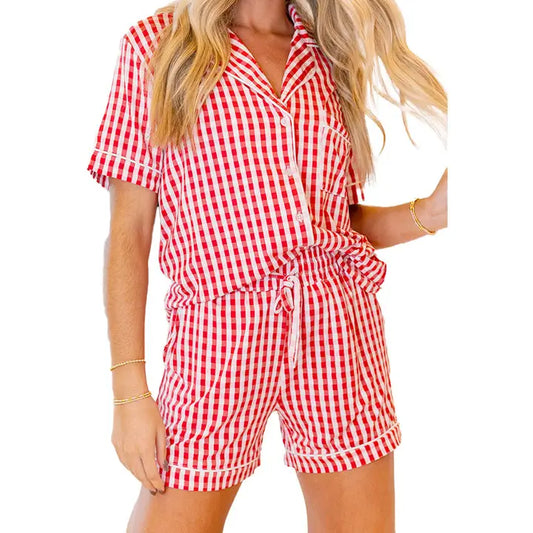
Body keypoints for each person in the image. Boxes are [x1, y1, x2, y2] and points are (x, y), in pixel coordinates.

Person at [86, 0, 447, 530]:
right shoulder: (157, 46)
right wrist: (130, 393)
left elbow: (333, 226)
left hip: (338, 330)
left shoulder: (328, 55)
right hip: (217, 339)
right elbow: (129, 233)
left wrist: (432, 213)